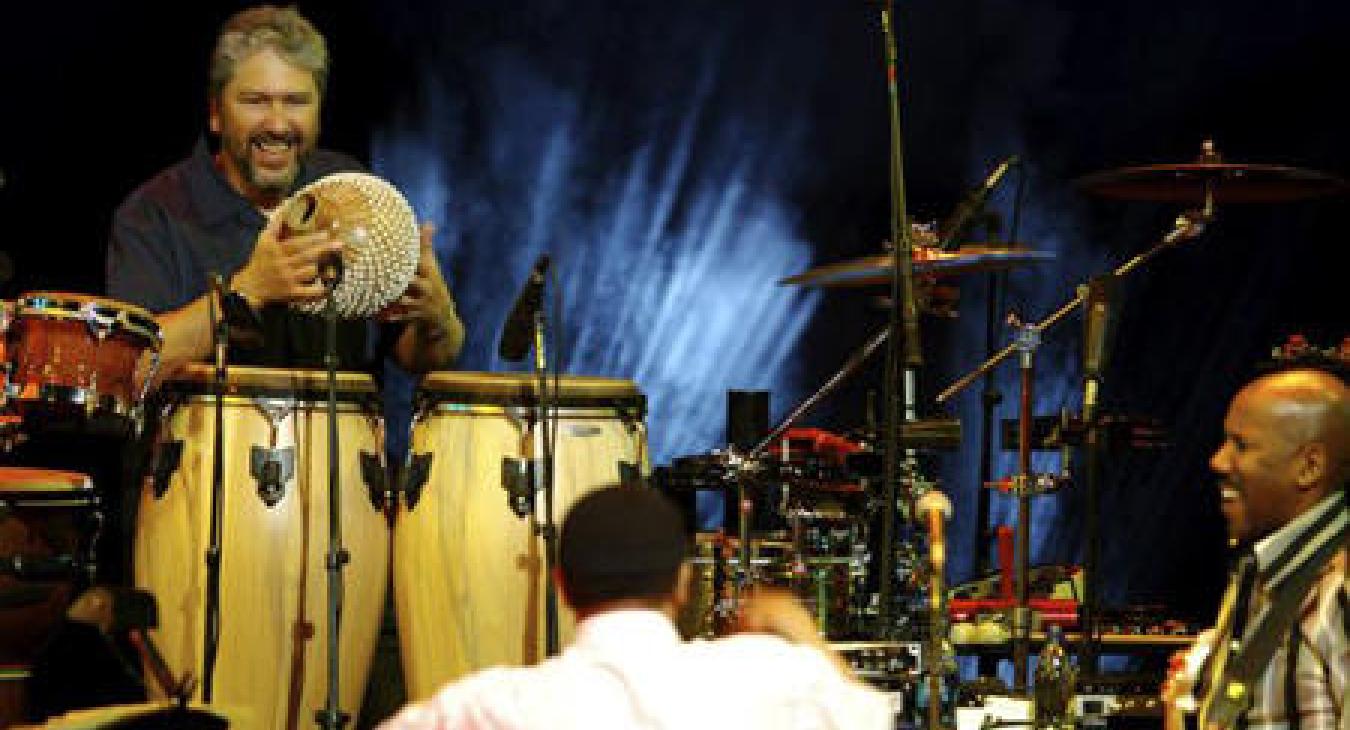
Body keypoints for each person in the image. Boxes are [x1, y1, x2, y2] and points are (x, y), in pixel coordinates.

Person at [106, 5, 463, 378]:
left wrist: (438, 318)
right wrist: (246, 293)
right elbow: (129, 367)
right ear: (215, 113)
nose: (277, 124)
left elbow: (422, 358)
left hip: (346, 436)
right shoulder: (154, 214)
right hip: (207, 437)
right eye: (255, 101)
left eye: (296, 101)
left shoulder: (354, 191)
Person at [378, 485, 892, 730]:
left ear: (562, 587)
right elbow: (868, 717)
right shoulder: (763, 675)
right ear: (684, 583)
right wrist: (798, 629)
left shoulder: (490, 708)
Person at [1165, 368, 1348, 730]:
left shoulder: (1339, 589)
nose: (1217, 461)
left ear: (1309, 466)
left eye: (1241, 445)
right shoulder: (1264, 573)